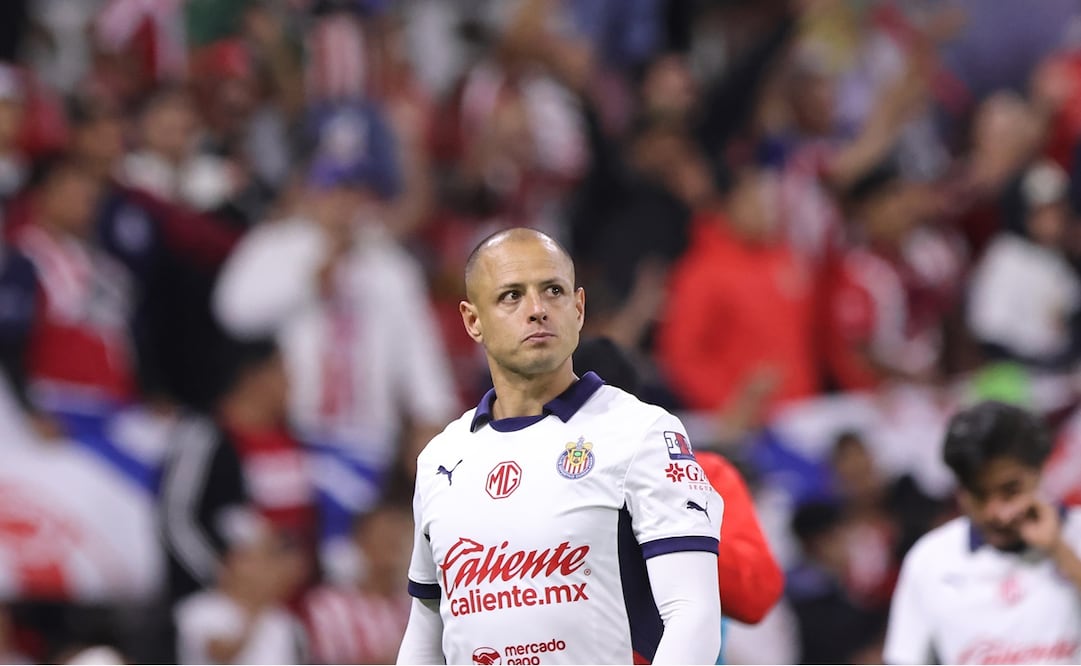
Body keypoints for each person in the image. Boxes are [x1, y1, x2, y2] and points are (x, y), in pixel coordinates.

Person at [396, 228, 722, 665]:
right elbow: (426, 624)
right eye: (511, 296)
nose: (537, 310)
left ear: (579, 307)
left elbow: (692, 612)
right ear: (473, 321)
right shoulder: (439, 459)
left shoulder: (642, 432)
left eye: (552, 291)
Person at [884, 401, 1081, 664]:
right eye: (978, 495)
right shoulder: (929, 560)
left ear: (1040, 471)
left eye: (1010, 490)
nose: (995, 512)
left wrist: (1060, 551)